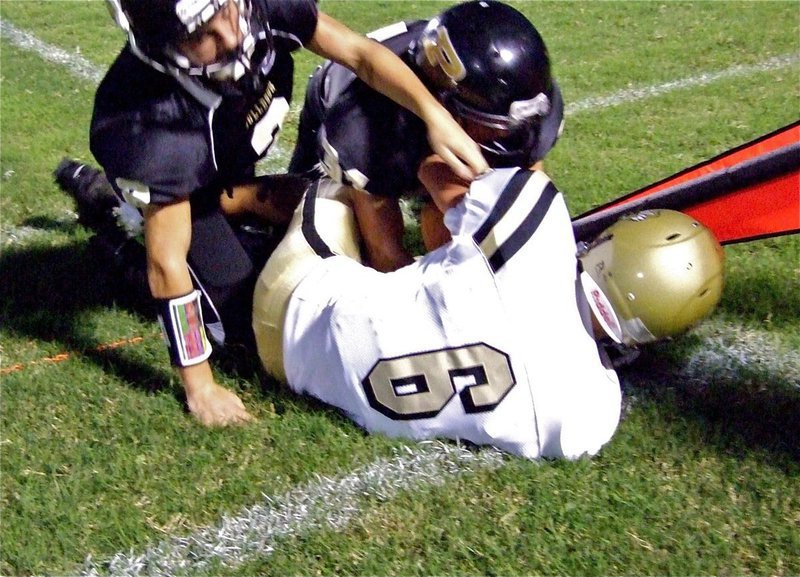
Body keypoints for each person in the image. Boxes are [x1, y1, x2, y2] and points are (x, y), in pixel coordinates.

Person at [80, 0, 489, 427]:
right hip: (191, 183)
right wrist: (200, 386)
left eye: (225, 10)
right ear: (160, 47)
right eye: (202, 35)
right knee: (243, 324)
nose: (231, 36)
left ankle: (165, 210)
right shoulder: (149, 126)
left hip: (229, 157)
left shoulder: (262, 8)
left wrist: (434, 116)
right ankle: (117, 234)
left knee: (327, 214)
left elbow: (361, 55)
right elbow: (167, 265)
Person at [251, 162, 725, 459]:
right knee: (460, 251)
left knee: (345, 171)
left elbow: (435, 171)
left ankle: (208, 204)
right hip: (334, 383)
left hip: (296, 309)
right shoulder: (591, 420)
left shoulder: (539, 236)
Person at [288, 0, 565, 271]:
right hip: (348, 103)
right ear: (443, 101)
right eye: (490, 126)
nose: (505, 137)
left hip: (421, 112)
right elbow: (386, 256)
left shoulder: (516, 107)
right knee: (313, 229)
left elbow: (528, 200)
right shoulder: (366, 130)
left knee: (467, 214)